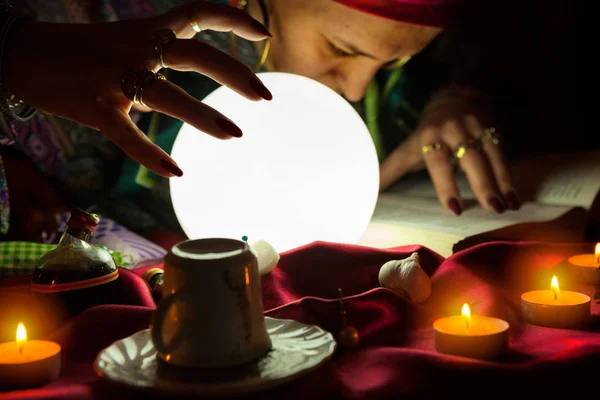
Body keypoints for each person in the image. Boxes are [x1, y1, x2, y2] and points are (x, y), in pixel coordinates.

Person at [0, 0, 518, 248]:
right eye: (340, 49)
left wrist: (453, 99)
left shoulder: (416, 63)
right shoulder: (114, 27)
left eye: (390, 64)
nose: (356, 89)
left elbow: (464, 58)